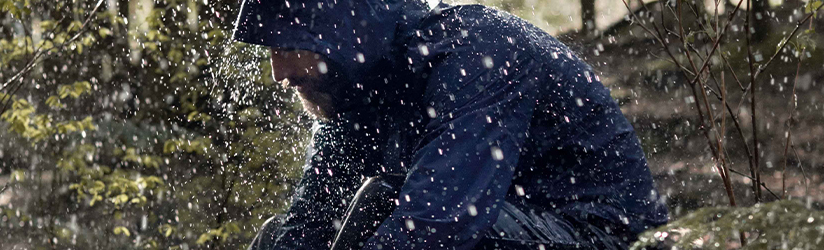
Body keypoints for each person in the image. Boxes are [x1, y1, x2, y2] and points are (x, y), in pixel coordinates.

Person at [233, 0, 668, 249]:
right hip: (504, 227)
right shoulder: (355, 93)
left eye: (287, 45)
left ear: (342, 30)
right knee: (281, 240)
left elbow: (437, 224)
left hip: (605, 239)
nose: (278, 72)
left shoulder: (476, 50)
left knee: (384, 208)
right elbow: (308, 222)